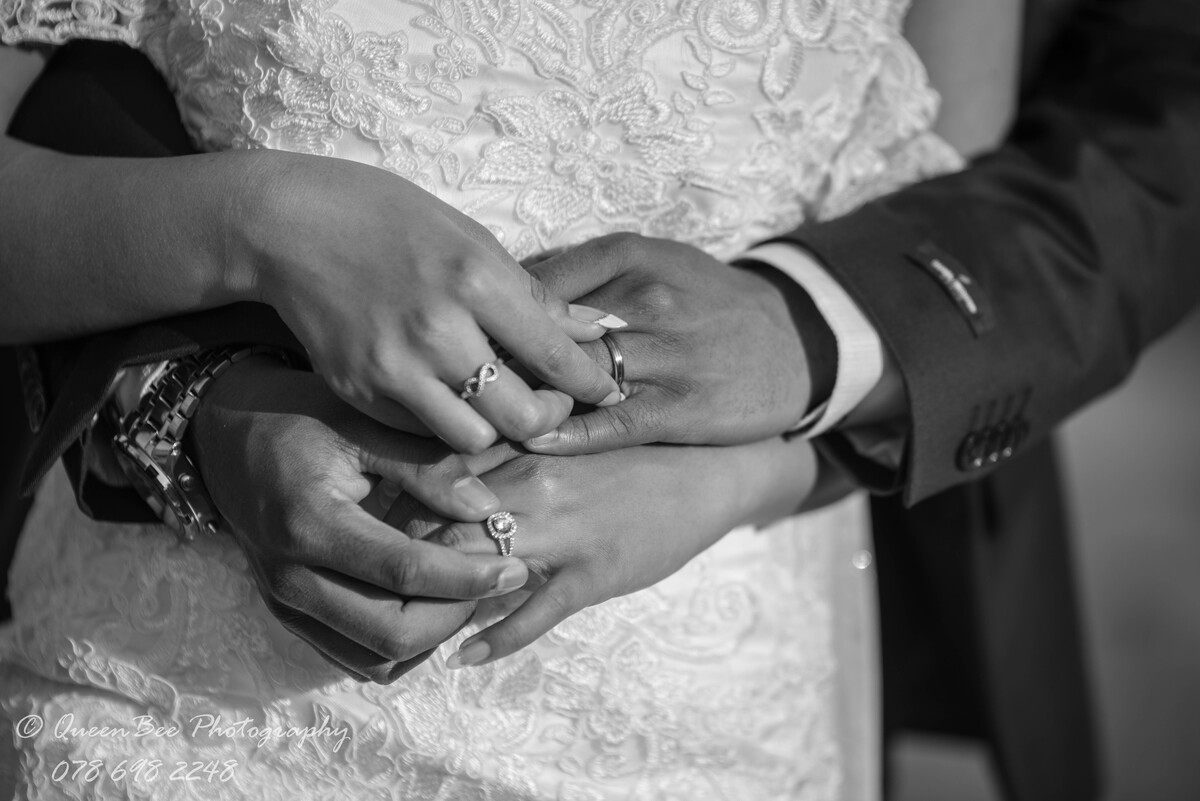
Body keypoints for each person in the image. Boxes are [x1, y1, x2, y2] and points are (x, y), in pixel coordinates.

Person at [2, 1, 1199, 800]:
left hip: (707, 703)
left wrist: (746, 460)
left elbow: (941, 195)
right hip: (175, 703)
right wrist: (254, 239)